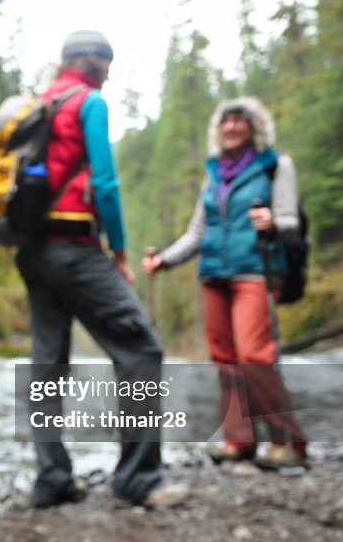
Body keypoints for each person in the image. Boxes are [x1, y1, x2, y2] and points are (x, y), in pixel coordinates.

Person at [18, 30, 189, 508]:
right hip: (75, 246)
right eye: (108, 63)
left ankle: (52, 480)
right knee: (142, 349)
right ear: (95, 64)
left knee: (48, 364)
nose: (110, 72)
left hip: (33, 251)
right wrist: (118, 250)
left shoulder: (38, 102)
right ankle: (139, 480)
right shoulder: (88, 102)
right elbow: (107, 184)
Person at [142, 97, 310, 471]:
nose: (231, 127)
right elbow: (198, 231)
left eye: (239, 120)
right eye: (225, 121)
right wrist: (165, 259)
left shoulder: (276, 166)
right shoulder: (214, 172)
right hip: (214, 274)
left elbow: (290, 222)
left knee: (254, 356)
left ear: (255, 127)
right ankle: (240, 441)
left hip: (257, 270)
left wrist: (272, 221)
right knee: (225, 360)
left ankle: (289, 443)